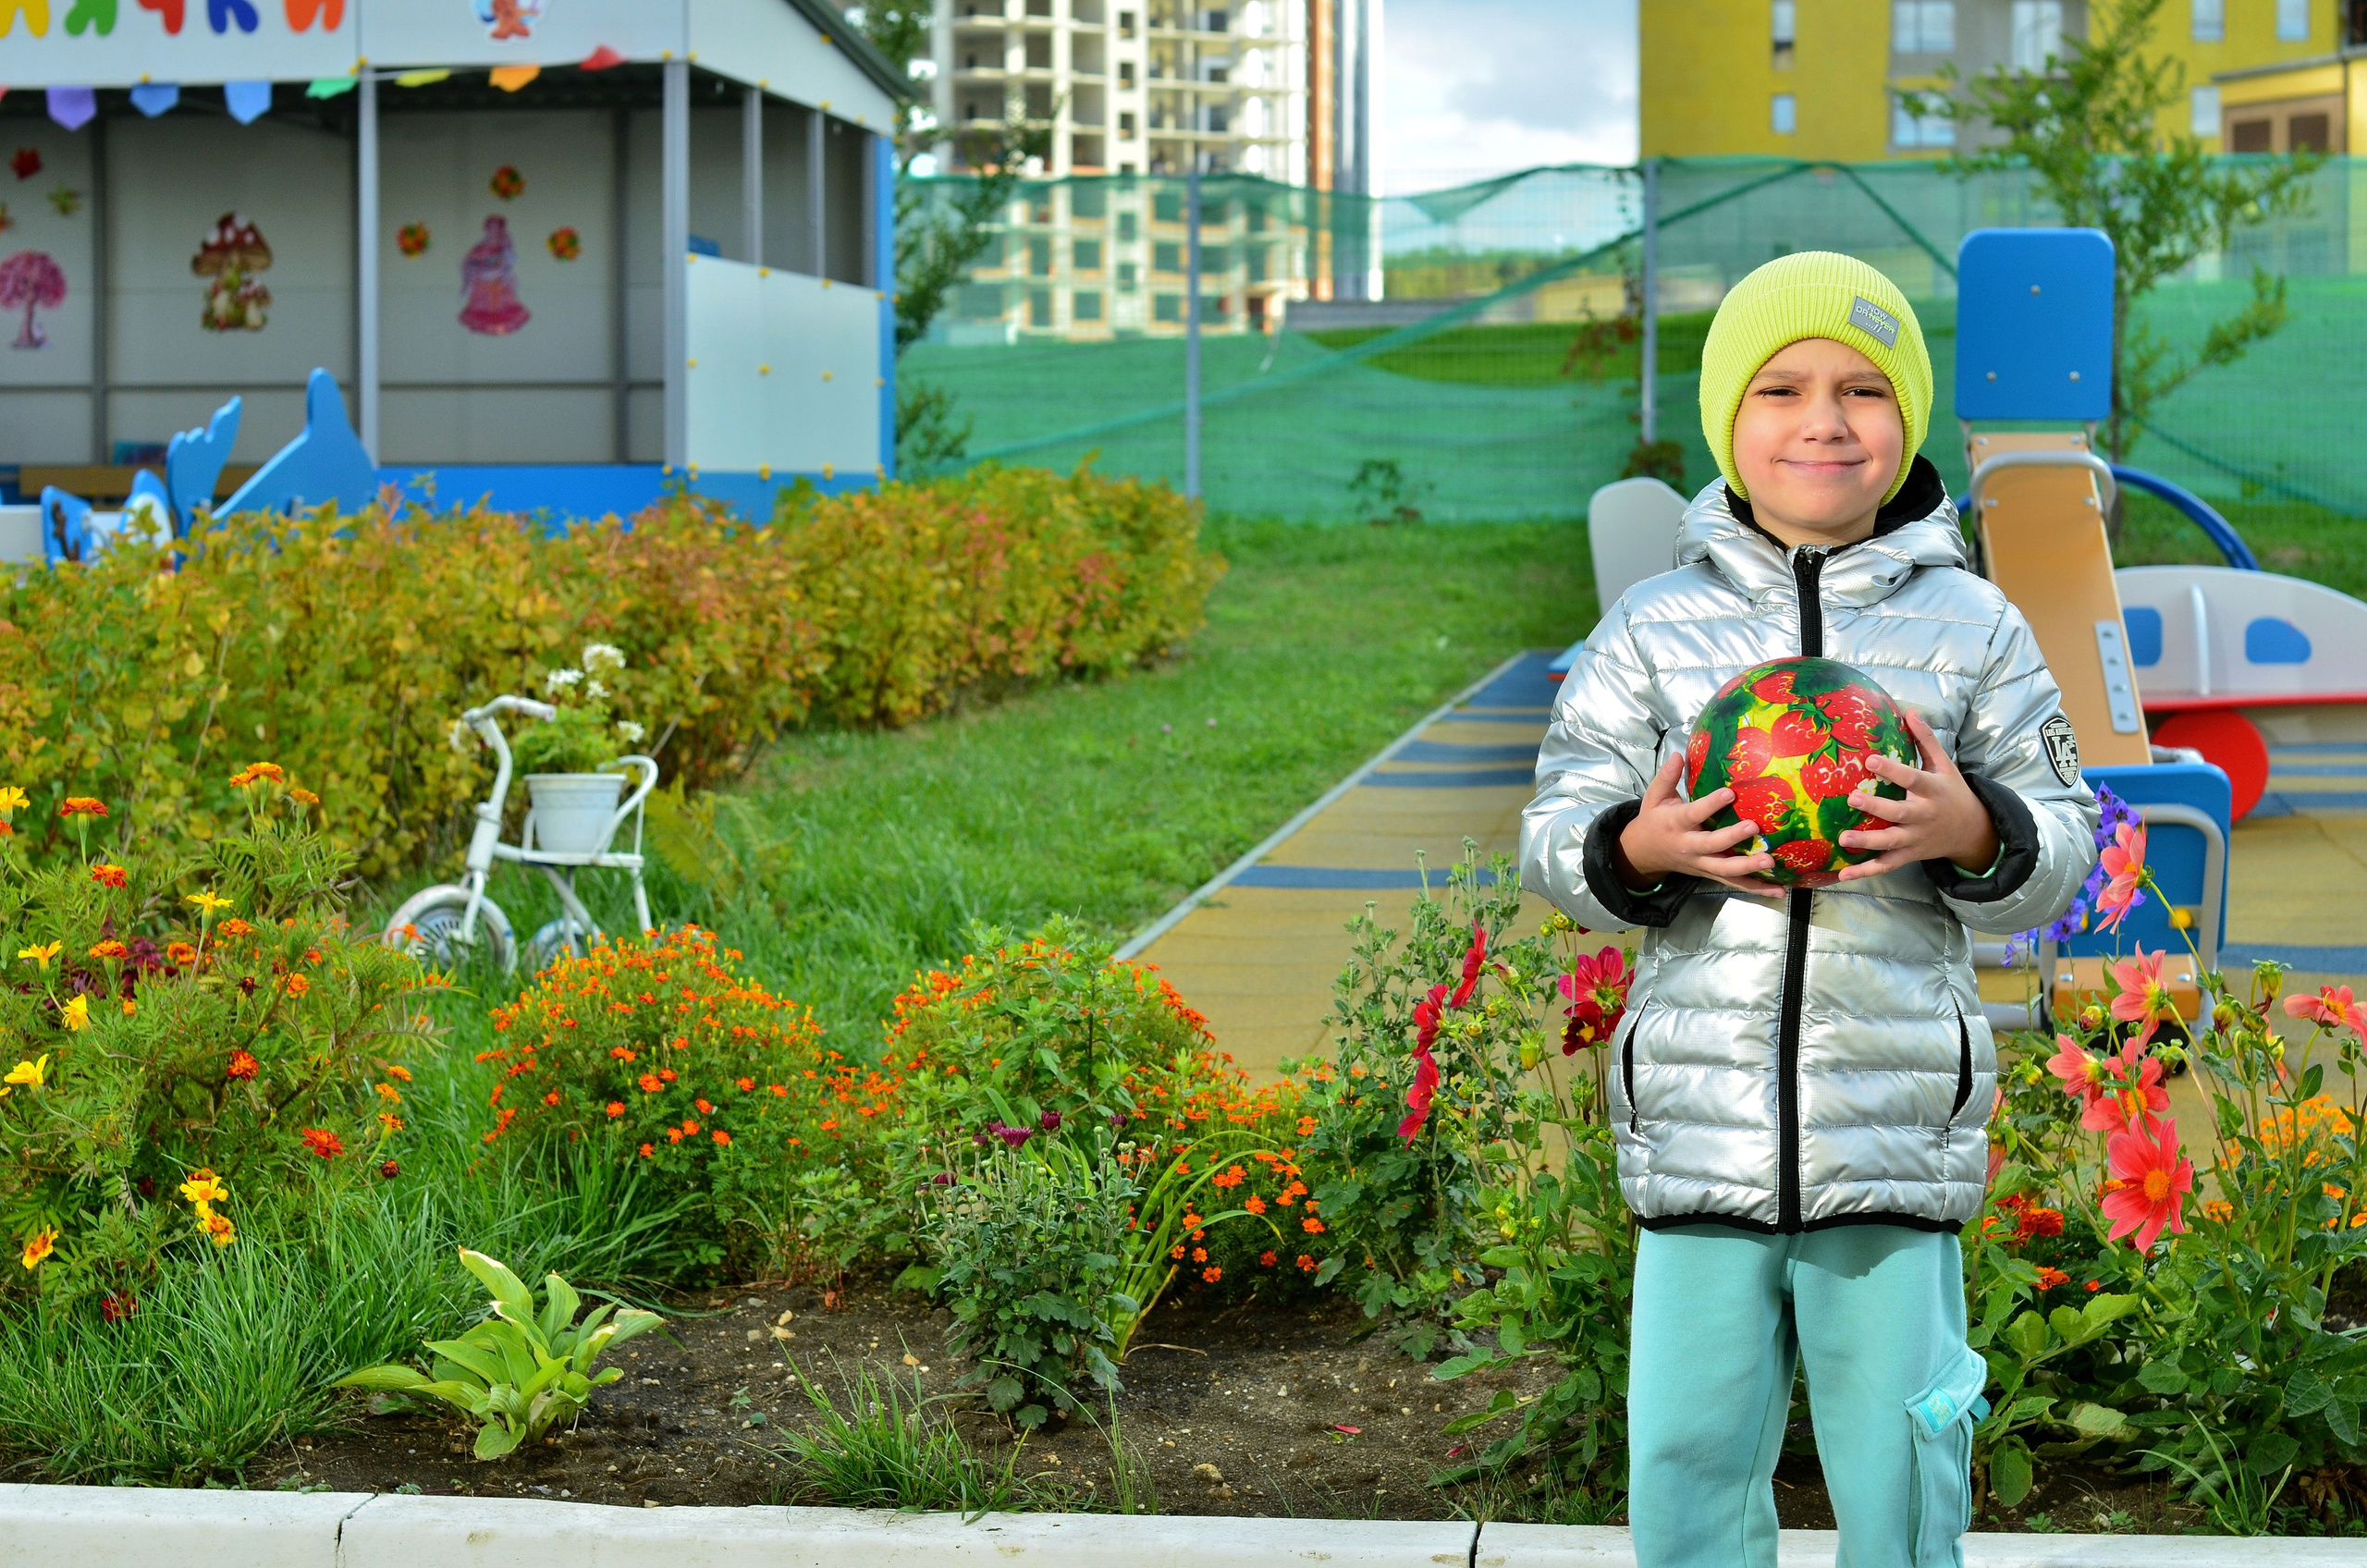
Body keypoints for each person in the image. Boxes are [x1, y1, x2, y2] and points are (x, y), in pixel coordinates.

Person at [1520, 251, 2099, 1568]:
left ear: (1909, 426)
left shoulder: (1980, 628)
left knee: (1902, 1458)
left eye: (1862, 390)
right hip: (1701, 1128)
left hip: (1893, 1128)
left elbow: (2064, 841)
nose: (1824, 420)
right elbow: (1553, 834)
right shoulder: (1652, 630)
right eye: (1780, 388)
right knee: (1688, 1462)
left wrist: (1972, 832)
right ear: (1730, 421)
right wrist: (1641, 843)